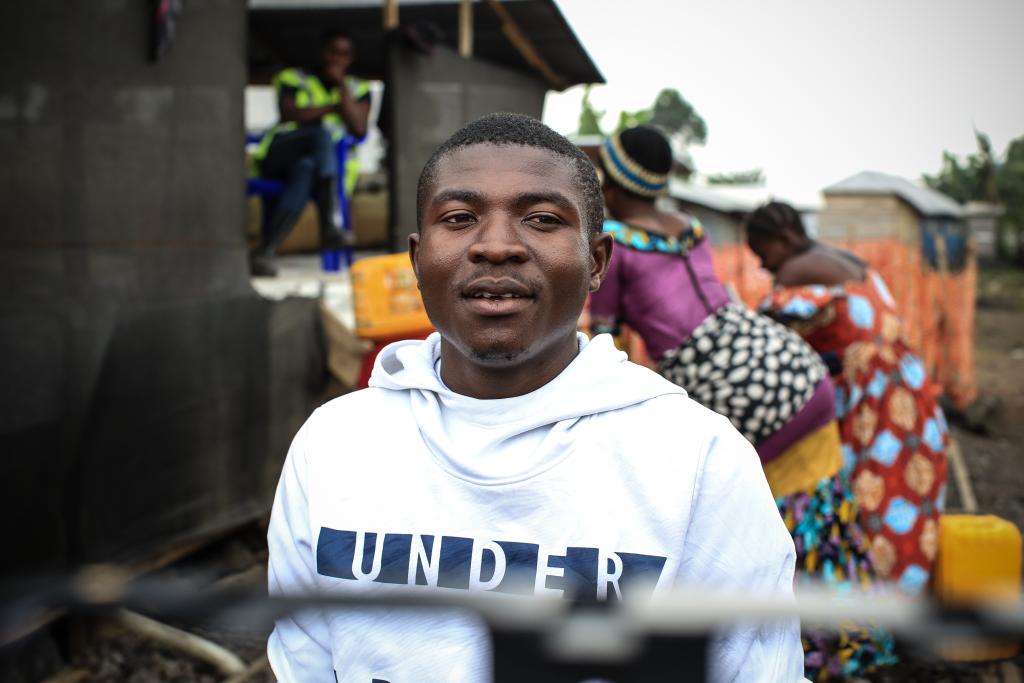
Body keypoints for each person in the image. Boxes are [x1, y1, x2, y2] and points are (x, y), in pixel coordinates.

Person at [266, 113, 805, 682]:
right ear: (418, 259)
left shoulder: (697, 461)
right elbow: (305, 662)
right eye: (459, 218)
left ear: (595, 262)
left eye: (542, 219)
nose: (496, 247)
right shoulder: (335, 445)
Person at [591, 126, 894, 679]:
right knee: (820, 517)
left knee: (762, 536)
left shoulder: (611, 242)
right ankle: (849, 648)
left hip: (741, 394)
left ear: (610, 182)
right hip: (793, 367)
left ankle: (801, 656)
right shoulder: (693, 228)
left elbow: (604, 345)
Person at [748, 200, 949, 598]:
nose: (764, 266)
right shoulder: (838, 256)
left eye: (763, 253)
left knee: (870, 489)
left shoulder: (795, 270)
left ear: (785, 239)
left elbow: (769, 334)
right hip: (905, 387)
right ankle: (896, 593)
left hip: (875, 401)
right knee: (901, 486)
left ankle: (867, 602)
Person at [250, 29, 371, 276]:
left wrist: (340, 86)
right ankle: (329, 225)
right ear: (322, 53)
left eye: (344, 54)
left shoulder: (358, 88)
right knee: (320, 136)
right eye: (333, 52)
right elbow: (290, 113)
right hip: (280, 155)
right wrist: (334, 107)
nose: (337, 59)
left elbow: (359, 129)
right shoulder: (294, 78)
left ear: (351, 59)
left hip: (315, 168)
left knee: (306, 169)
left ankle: (266, 251)